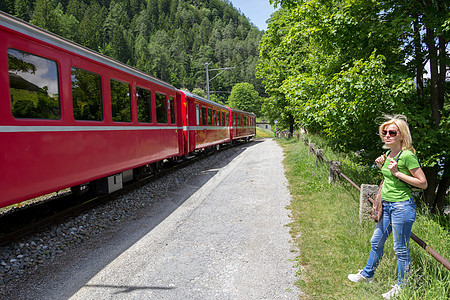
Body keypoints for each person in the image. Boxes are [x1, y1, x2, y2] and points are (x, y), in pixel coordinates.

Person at [348, 115, 428, 299]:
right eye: (384, 132)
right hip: (387, 206)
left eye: (392, 132)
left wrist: (397, 172)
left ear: (402, 136)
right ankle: (367, 274)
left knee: (400, 248)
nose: (387, 135)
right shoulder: (389, 155)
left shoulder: (407, 155)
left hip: (402, 207)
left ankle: (403, 285)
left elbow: (423, 183)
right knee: (376, 241)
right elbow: (390, 180)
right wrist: (382, 167)